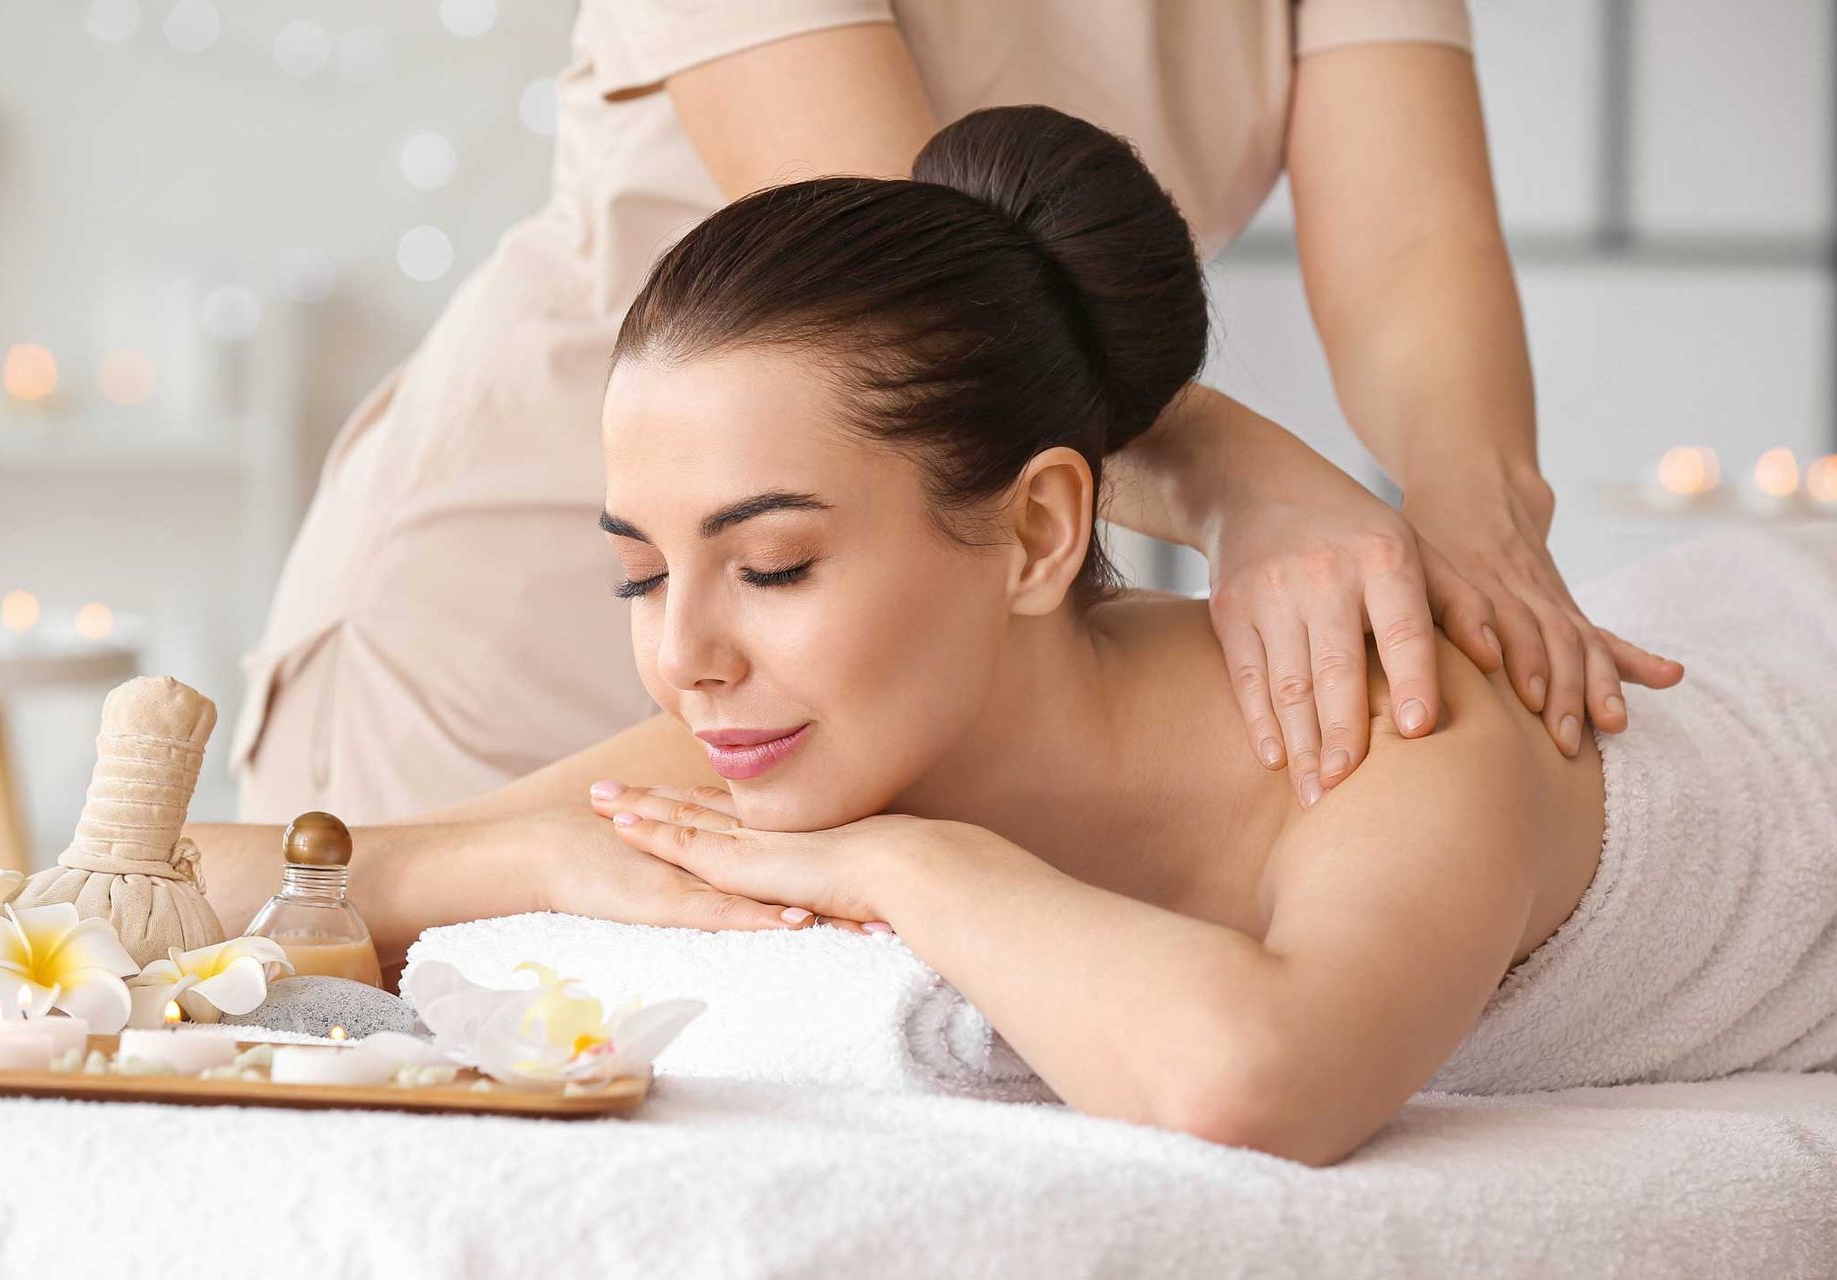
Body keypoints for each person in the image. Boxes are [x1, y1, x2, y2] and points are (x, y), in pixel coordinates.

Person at [196, 106, 1837, 1165]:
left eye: (770, 565)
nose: (681, 653)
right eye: (642, 573)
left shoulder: (1389, 733)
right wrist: (512, 862)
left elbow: (1259, 1083)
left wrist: (913, 872)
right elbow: (173, 888)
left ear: (1044, 532)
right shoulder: (795, 736)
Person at [232, 0, 1682, 827]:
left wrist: (1483, 527)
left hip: (924, 644)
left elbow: (1411, 253)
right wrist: (1254, 485)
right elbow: (916, 277)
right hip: (541, 601)